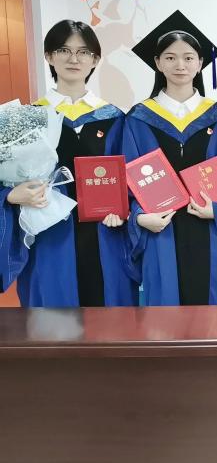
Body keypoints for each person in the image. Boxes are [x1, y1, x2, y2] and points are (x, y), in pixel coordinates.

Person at [0, 19, 134, 307]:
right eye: (64, 50)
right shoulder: (26, 118)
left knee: (110, 319)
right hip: (49, 237)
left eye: (83, 52)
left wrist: (125, 211)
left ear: (95, 60)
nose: (74, 59)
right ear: (49, 56)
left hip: (105, 235)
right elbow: (5, 180)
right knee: (52, 320)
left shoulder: (115, 118)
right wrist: (10, 195)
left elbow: (131, 178)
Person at [122, 11, 217, 305]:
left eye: (188, 58)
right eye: (170, 58)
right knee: (165, 314)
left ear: (200, 64)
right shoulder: (139, 118)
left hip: (211, 230)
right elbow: (127, 180)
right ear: (158, 63)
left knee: (215, 315)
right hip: (161, 230)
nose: (180, 65)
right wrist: (140, 217)